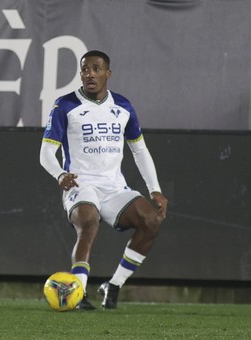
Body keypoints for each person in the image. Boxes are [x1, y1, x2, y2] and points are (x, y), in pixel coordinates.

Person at [39, 50, 168, 310]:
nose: (90, 74)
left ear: (108, 74)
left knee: (152, 221)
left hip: (113, 187)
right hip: (80, 184)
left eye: (96, 69)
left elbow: (139, 149)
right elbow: (45, 152)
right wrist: (60, 174)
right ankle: (79, 293)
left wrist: (155, 189)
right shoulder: (65, 105)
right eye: (85, 69)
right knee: (88, 222)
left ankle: (114, 285)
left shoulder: (122, 106)